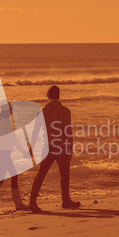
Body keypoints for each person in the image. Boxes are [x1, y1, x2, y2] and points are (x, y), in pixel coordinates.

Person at [29, 85, 81, 213]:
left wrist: (31, 148)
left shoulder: (42, 111)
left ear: (47, 96)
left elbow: (35, 131)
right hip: (60, 147)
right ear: (59, 97)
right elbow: (67, 131)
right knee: (64, 175)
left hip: (46, 147)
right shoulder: (65, 111)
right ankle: (66, 200)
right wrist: (70, 148)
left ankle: (32, 202)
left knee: (41, 174)